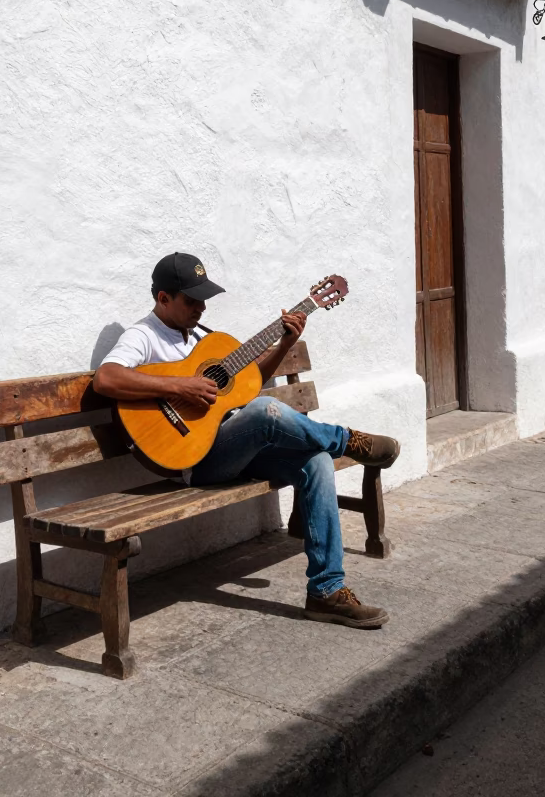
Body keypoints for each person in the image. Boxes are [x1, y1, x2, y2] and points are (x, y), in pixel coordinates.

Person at [94, 252, 399, 628]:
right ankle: (347, 439)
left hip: (236, 449)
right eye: (191, 300)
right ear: (163, 299)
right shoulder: (143, 336)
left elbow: (249, 382)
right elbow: (105, 380)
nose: (201, 307)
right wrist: (179, 385)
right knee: (266, 410)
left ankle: (326, 593)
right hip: (195, 460)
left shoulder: (205, 339)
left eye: (204, 299)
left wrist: (285, 344)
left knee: (316, 460)